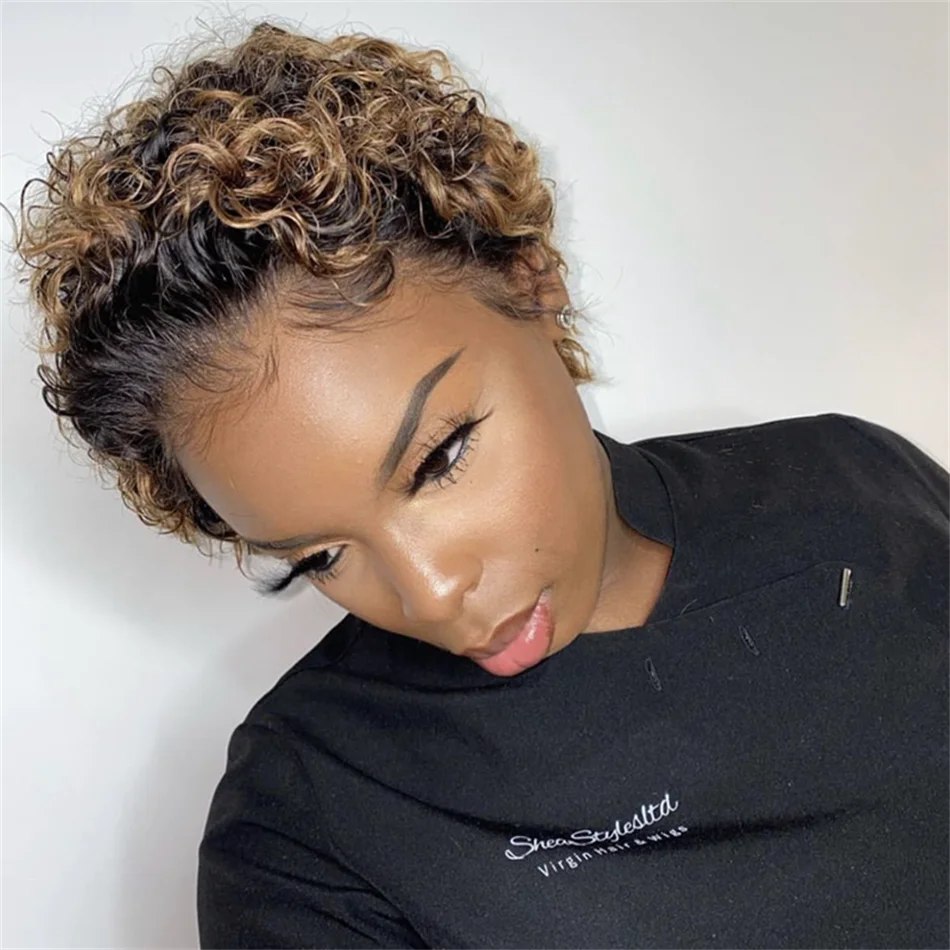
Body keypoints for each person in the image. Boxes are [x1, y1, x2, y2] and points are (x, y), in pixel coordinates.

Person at [14, 20, 949, 950]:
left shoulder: (856, 489)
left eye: (441, 459)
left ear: (532, 285)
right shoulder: (304, 833)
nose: (429, 595)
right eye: (321, 556)